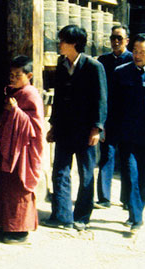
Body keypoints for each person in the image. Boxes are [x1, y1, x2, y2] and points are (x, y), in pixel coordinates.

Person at [0, 55, 46, 244]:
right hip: (11, 148)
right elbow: (4, 117)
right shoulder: (15, 93)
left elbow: (35, 126)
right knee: (5, 187)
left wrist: (16, 112)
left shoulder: (30, 94)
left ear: (28, 75)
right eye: (11, 75)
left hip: (23, 152)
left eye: (17, 75)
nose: (12, 78)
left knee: (18, 188)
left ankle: (20, 231)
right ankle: (6, 225)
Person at [44, 25, 107, 231]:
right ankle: (61, 215)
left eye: (63, 41)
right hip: (64, 128)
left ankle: (81, 216)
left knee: (86, 174)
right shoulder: (61, 65)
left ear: (74, 44)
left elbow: (101, 99)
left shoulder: (93, 66)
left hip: (86, 130)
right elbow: (60, 98)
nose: (59, 44)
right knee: (60, 172)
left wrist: (97, 128)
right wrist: (53, 125)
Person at [107, 33, 145, 231]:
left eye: (142, 52)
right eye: (135, 51)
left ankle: (137, 211)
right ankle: (136, 216)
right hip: (126, 135)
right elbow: (113, 104)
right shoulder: (120, 73)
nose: (137, 55)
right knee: (130, 173)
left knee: (144, 177)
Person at [95, 24, 132, 208]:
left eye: (119, 38)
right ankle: (104, 198)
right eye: (113, 38)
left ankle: (127, 199)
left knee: (127, 158)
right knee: (106, 156)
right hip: (108, 117)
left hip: (127, 118)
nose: (115, 41)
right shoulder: (103, 61)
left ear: (127, 40)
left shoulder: (134, 60)